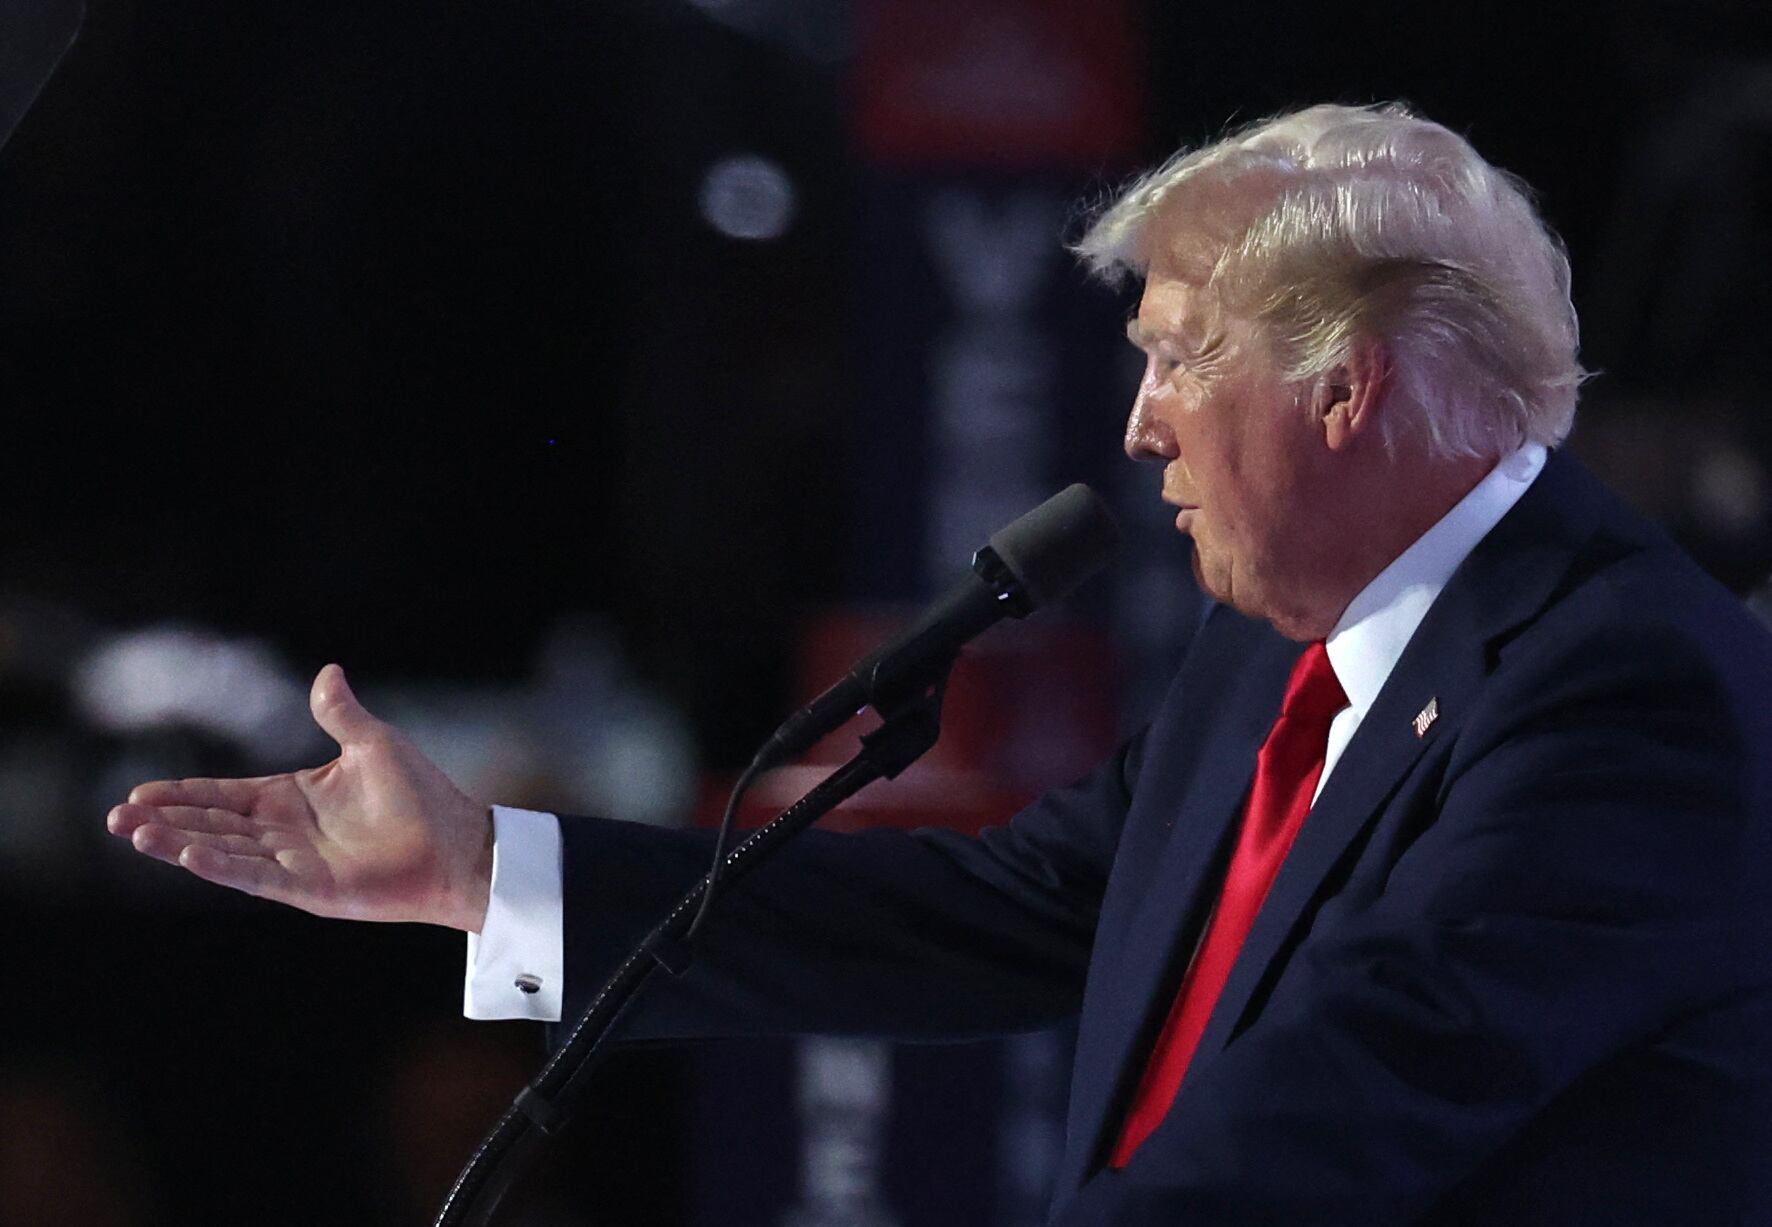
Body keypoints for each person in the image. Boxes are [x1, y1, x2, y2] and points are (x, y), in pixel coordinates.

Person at [107, 103, 1772, 1223]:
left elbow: (1346, 1102)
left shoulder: (1625, 690)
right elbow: (1005, 917)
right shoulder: (1282, 655)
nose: (1139, 425)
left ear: (1349, 387)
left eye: (1181, 357)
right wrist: (493, 877)